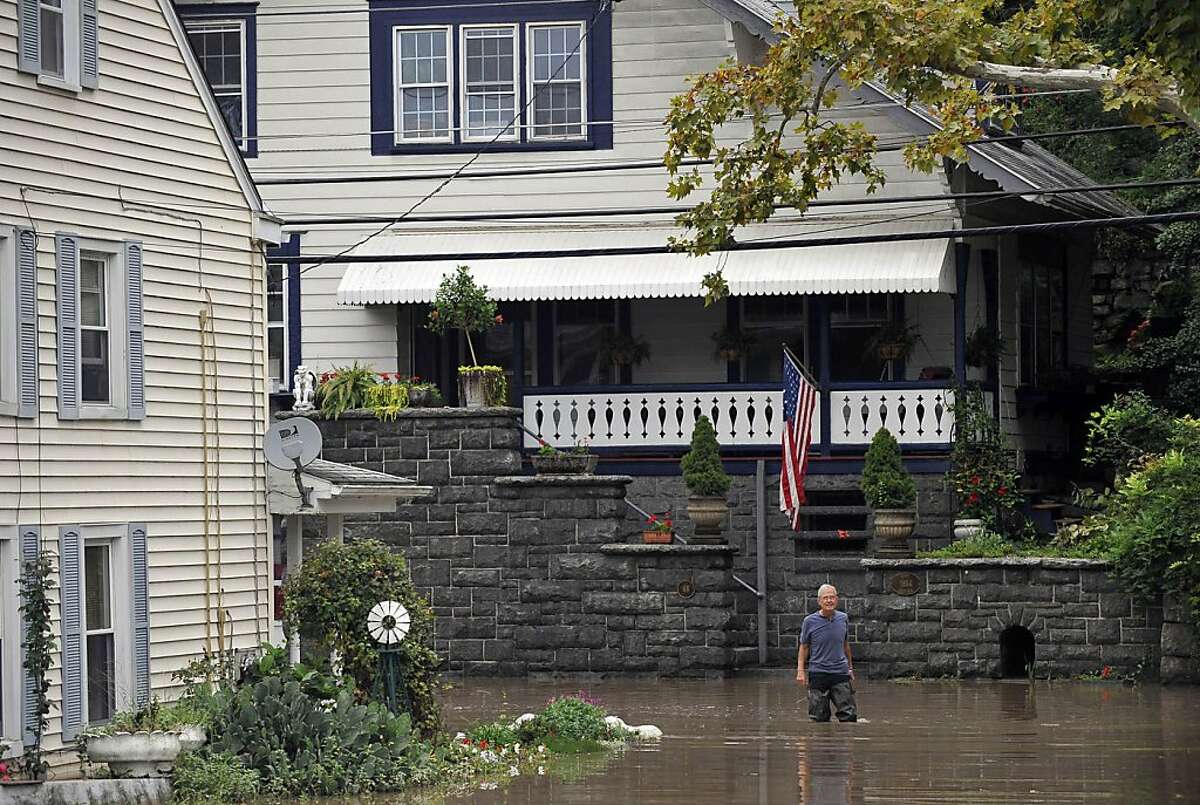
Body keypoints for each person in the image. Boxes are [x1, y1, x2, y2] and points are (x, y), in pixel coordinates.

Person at [796, 584, 857, 722]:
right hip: (818, 672)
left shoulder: (843, 618)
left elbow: (845, 645)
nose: (829, 601)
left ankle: (847, 740)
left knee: (849, 715)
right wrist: (800, 670)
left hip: (840, 672)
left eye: (832, 597)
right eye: (826, 598)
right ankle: (821, 742)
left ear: (836, 599)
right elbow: (804, 647)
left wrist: (850, 668)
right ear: (819, 601)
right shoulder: (809, 621)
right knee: (818, 717)